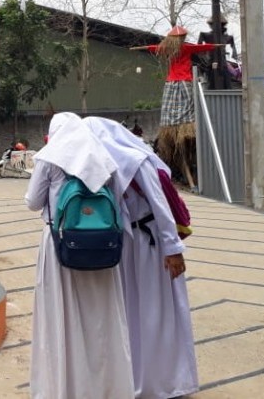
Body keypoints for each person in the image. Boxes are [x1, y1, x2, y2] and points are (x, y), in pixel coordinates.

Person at [84, 116, 199, 399]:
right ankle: (133, 378)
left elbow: (160, 206)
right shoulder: (100, 164)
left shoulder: (137, 162)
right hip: (124, 248)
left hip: (150, 247)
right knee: (130, 313)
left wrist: (173, 250)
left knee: (156, 312)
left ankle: (167, 381)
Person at [24, 112, 134, 398]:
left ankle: (64, 387)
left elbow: (33, 203)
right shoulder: (103, 157)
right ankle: (106, 387)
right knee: (101, 317)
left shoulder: (50, 158)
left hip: (61, 245)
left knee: (62, 315)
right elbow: (117, 201)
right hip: (102, 246)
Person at [130, 25, 222, 188]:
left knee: (175, 106)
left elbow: (153, 48)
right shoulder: (184, 48)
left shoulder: (168, 48)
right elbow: (202, 47)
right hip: (183, 82)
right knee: (187, 105)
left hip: (172, 83)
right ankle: (183, 127)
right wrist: (216, 46)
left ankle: (182, 128)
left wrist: (140, 47)